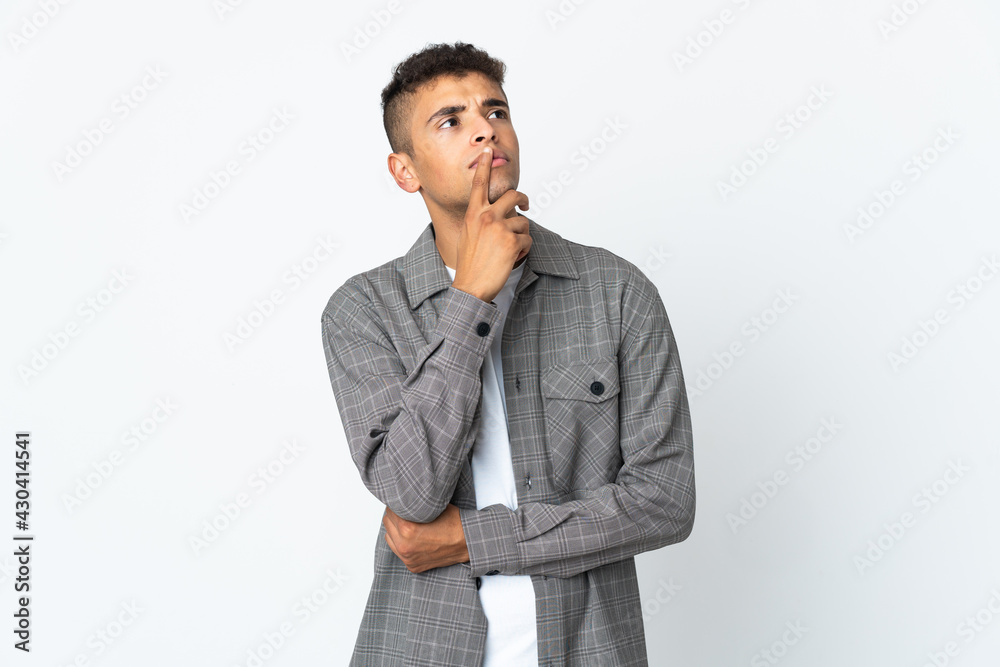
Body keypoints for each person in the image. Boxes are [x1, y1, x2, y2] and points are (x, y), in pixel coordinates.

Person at [320, 41, 695, 667]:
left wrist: (471, 539)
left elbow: (664, 501)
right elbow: (411, 492)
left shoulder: (616, 292)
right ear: (404, 170)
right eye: (452, 120)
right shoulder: (363, 311)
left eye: (496, 111)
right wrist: (470, 296)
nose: (485, 132)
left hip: (587, 649)